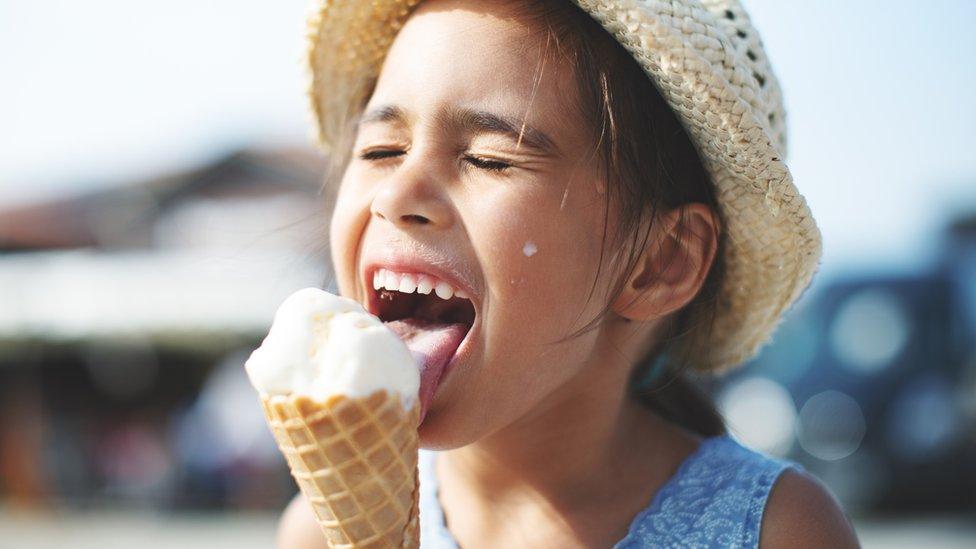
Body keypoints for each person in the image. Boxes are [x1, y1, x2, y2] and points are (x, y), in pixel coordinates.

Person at [279, 0, 859, 546]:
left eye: (488, 158)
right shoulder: (319, 533)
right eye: (382, 150)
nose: (398, 193)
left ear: (661, 263)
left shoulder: (777, 530)